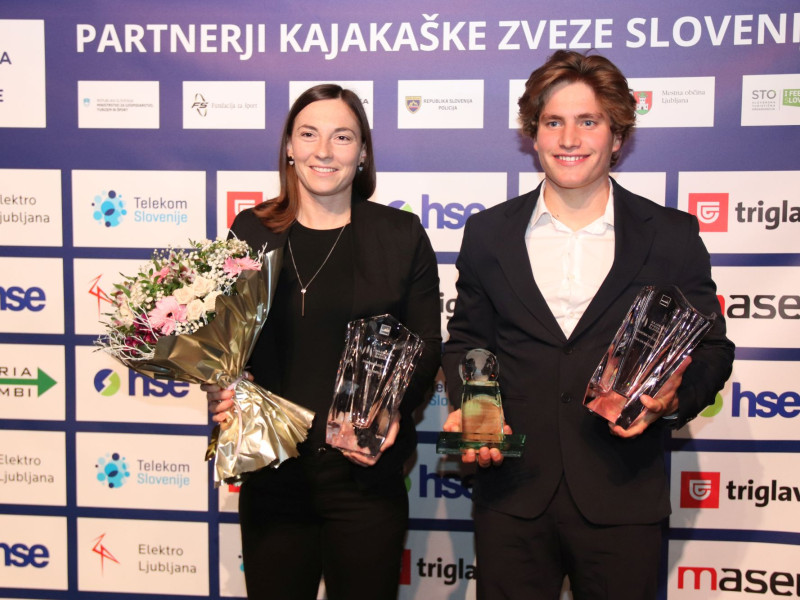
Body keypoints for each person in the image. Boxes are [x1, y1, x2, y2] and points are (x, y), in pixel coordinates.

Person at [442, 50, 734, 599]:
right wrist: (475, 410)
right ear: (533, 135)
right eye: (554, 122)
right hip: (512, 494)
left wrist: (670, 400)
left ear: (617, 136)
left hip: (622, 491)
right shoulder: (488, 234)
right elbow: (468, 343)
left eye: (588, 121)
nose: (569, 138)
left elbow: (713, 349)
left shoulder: (670, 235)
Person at [203, 84, 441, 600]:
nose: (324, 151)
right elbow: (225, 344)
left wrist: (392, 411)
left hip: (361, 475)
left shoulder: (400, 235)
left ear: (362, 153)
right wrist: (219, 389)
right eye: (309, 134)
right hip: (272, 472)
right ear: (289, 146)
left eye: (343, 136)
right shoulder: (252, 229)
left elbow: (425, 345)